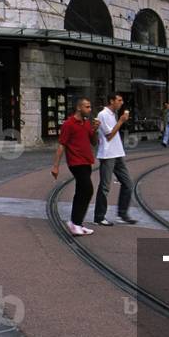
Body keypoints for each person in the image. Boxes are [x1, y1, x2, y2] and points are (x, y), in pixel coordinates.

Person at [51, 97, 98, 236]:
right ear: (79, 108)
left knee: (80, 192)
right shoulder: (68, 124)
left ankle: (77, 223)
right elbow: (61, 145)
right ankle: (75, 223)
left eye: (90, 107)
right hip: (76, 163)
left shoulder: (87, 123)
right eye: (87, 107)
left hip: (86, 161)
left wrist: (95, 130)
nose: (89, 110)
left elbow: (94, 142)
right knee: (88, 190)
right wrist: (56, 166)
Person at [93, 93, 137, 227]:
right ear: (111, 101)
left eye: (122, 100)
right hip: (107, 155)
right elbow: (109, 135)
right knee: (105, 186)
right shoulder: (103, 114)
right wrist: (122, 121)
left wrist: (120, 120)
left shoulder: (113, 115)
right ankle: (99, 217)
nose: (121, 102)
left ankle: (122, 214)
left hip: (118, 153)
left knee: (128, 183)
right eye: (119, 100)